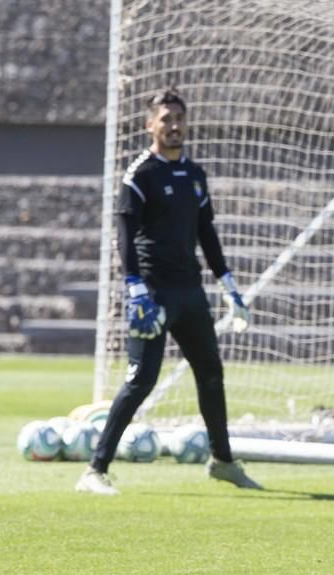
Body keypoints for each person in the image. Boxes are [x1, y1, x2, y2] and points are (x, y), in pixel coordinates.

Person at [76, 87, 261, 495]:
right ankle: (94, 470)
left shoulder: (195, 175)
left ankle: (224, 461)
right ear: (150, 125)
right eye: (165, 119)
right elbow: (123, 235)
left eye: (179, 118)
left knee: (211, 375)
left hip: (190, 291)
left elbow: (205, 231)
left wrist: (227, 282)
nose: (173, 125)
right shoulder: (139, 175)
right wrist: (135, 287)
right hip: (154, 293)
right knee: (141, 380)